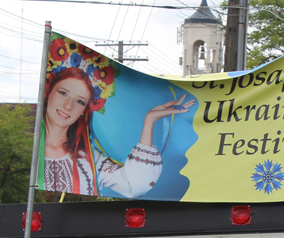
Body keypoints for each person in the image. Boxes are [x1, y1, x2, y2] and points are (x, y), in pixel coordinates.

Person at [43, 55, 195, 197]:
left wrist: (149, 120)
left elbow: (133, 185)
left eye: (80, 101)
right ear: (49, 92)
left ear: (84, 111)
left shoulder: (88, 157)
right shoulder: (29, 146)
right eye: (63, 93)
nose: (68, 106)